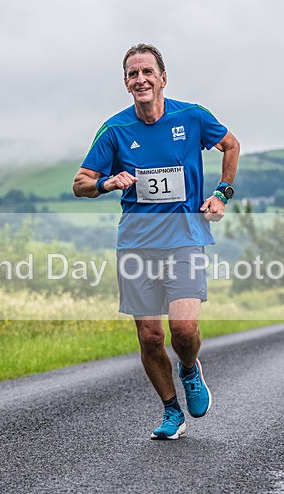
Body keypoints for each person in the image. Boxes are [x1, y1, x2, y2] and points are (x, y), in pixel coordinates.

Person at [73, 43, 240, 440]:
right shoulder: (114, 129)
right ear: (126, 83)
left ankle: (188, 368)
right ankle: (171, 411)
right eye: (133, 74)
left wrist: (222, 193)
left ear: (163, 78)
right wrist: (106, 182)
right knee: (150, 336)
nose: (141, 79)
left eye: (148, 71)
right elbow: (80, 183)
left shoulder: (192, 116)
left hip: (184, 236)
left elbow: (231, 145)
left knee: (183, 330)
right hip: (136, 243)